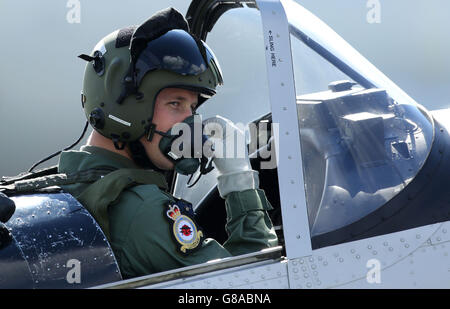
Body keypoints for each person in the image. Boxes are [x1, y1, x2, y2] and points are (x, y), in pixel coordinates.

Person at [58, 7, 278, 279]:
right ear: (126, 108)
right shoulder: (143, 211)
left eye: (193, 108)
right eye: (175, 103)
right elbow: (258, 282)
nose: (191, 122)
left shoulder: (72, 181)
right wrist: (239, 180)